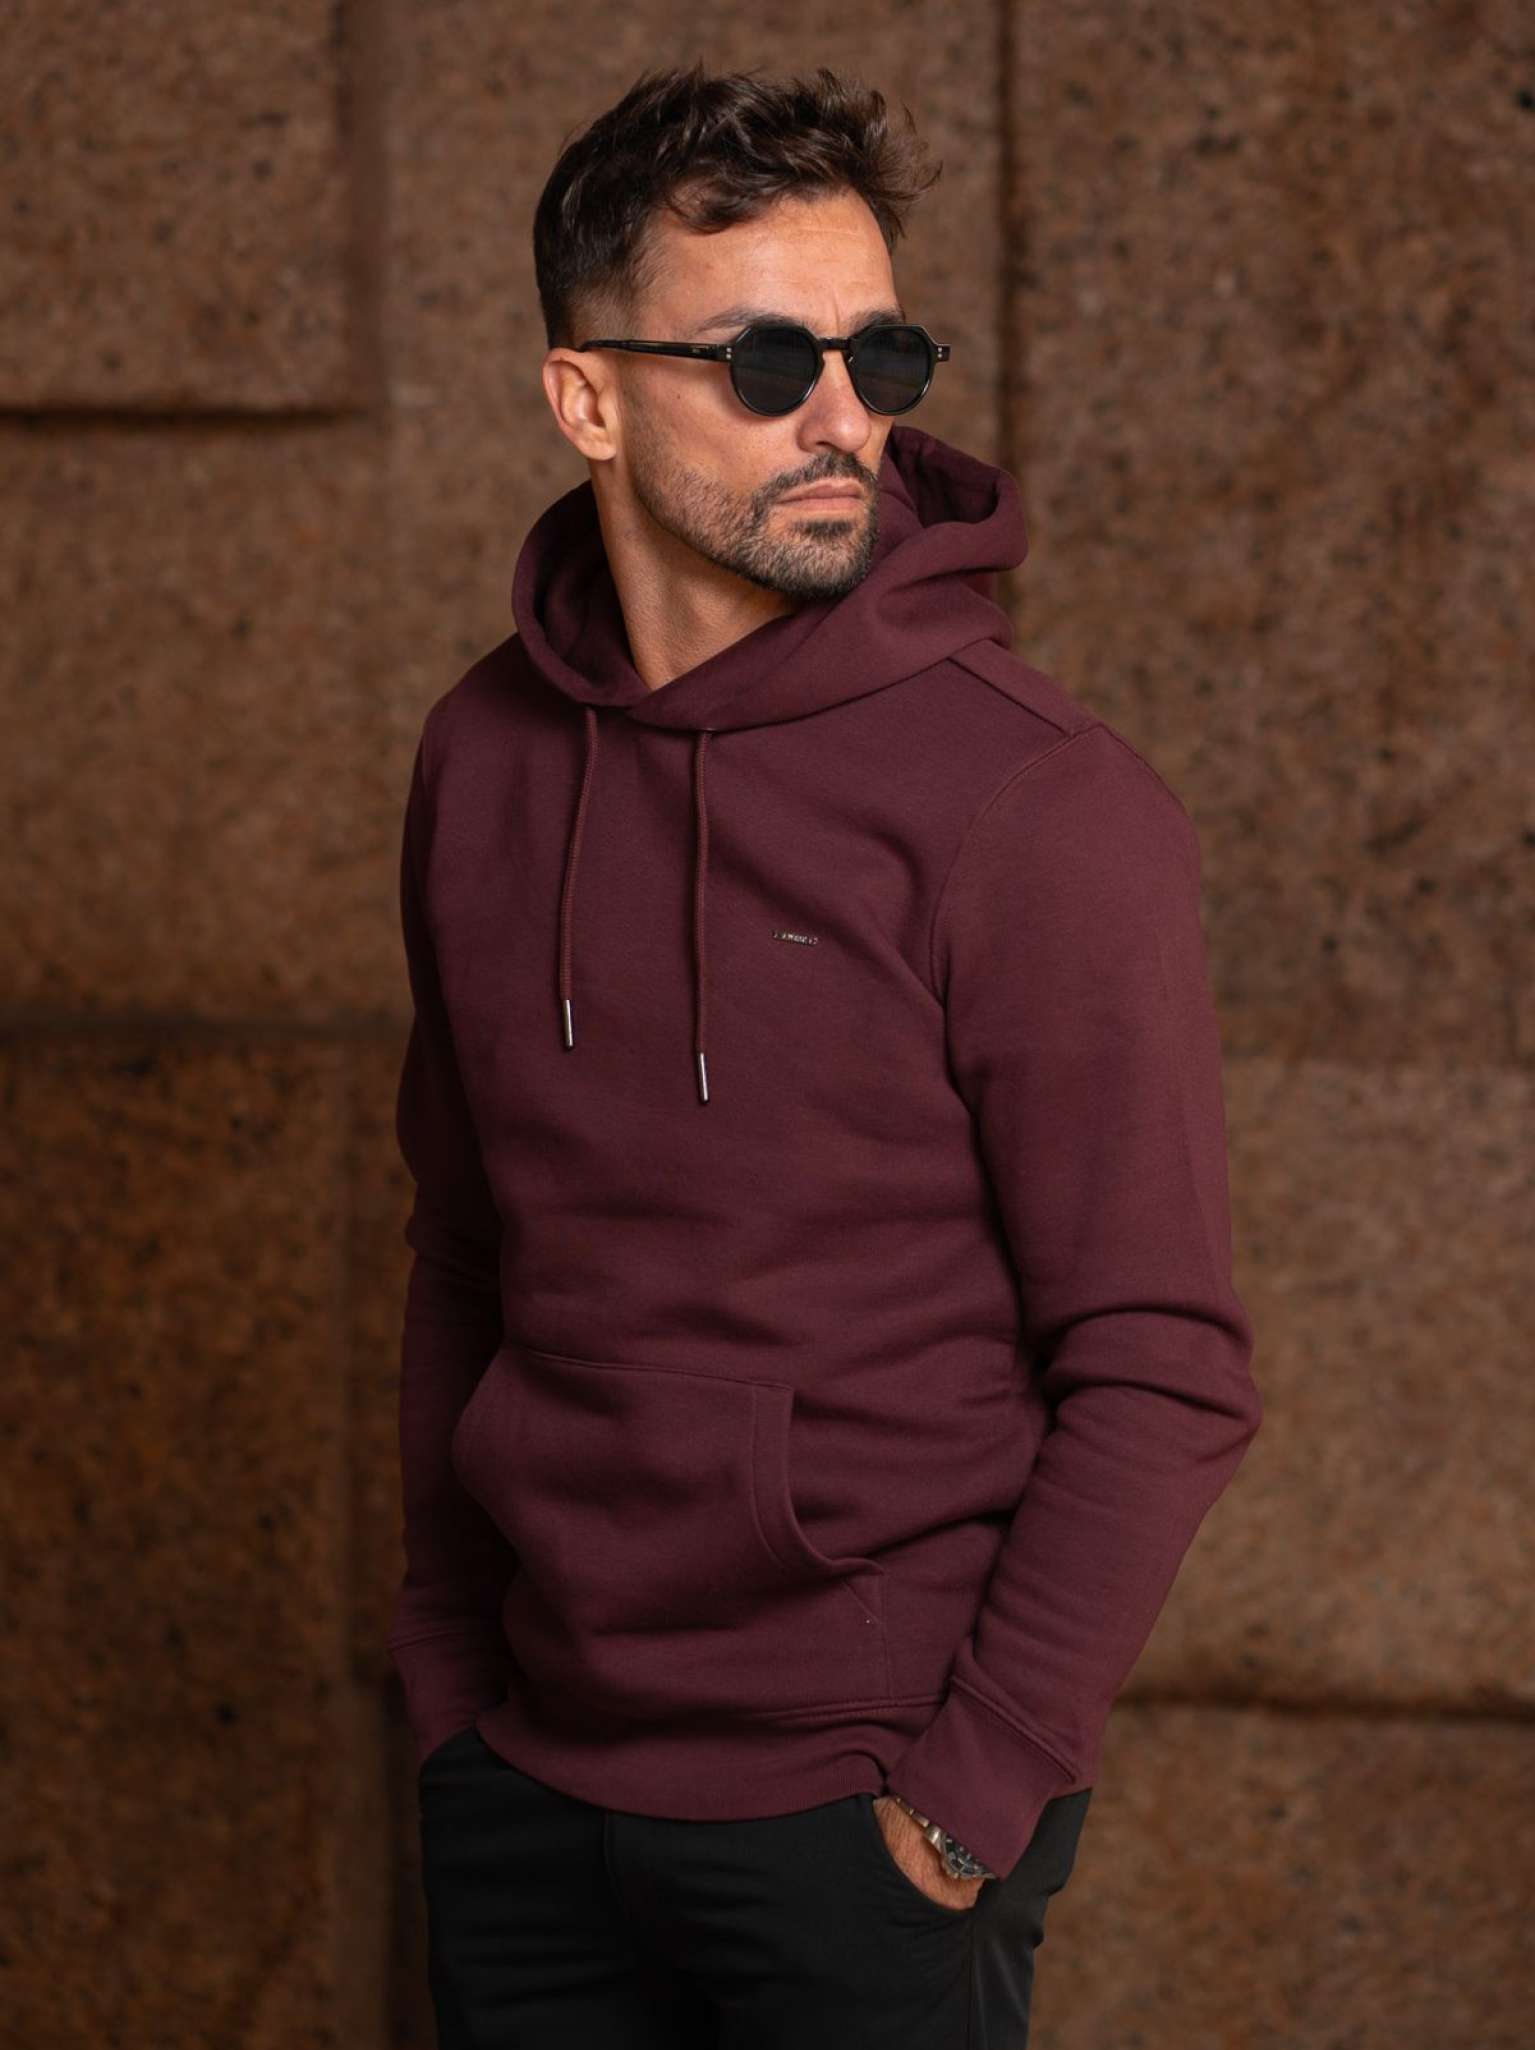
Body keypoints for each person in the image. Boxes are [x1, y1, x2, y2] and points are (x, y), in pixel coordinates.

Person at [388, 58, 1262, 2050]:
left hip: (864, 1806)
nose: (846, 415)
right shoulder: (480, 760)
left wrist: (964, 1802)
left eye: (883, 353)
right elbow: (464, 1252)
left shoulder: (1038, 805)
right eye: (767, 359)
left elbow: (1164, 1360)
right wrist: (448, 1698)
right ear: (587, 397)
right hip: (529, 1786)